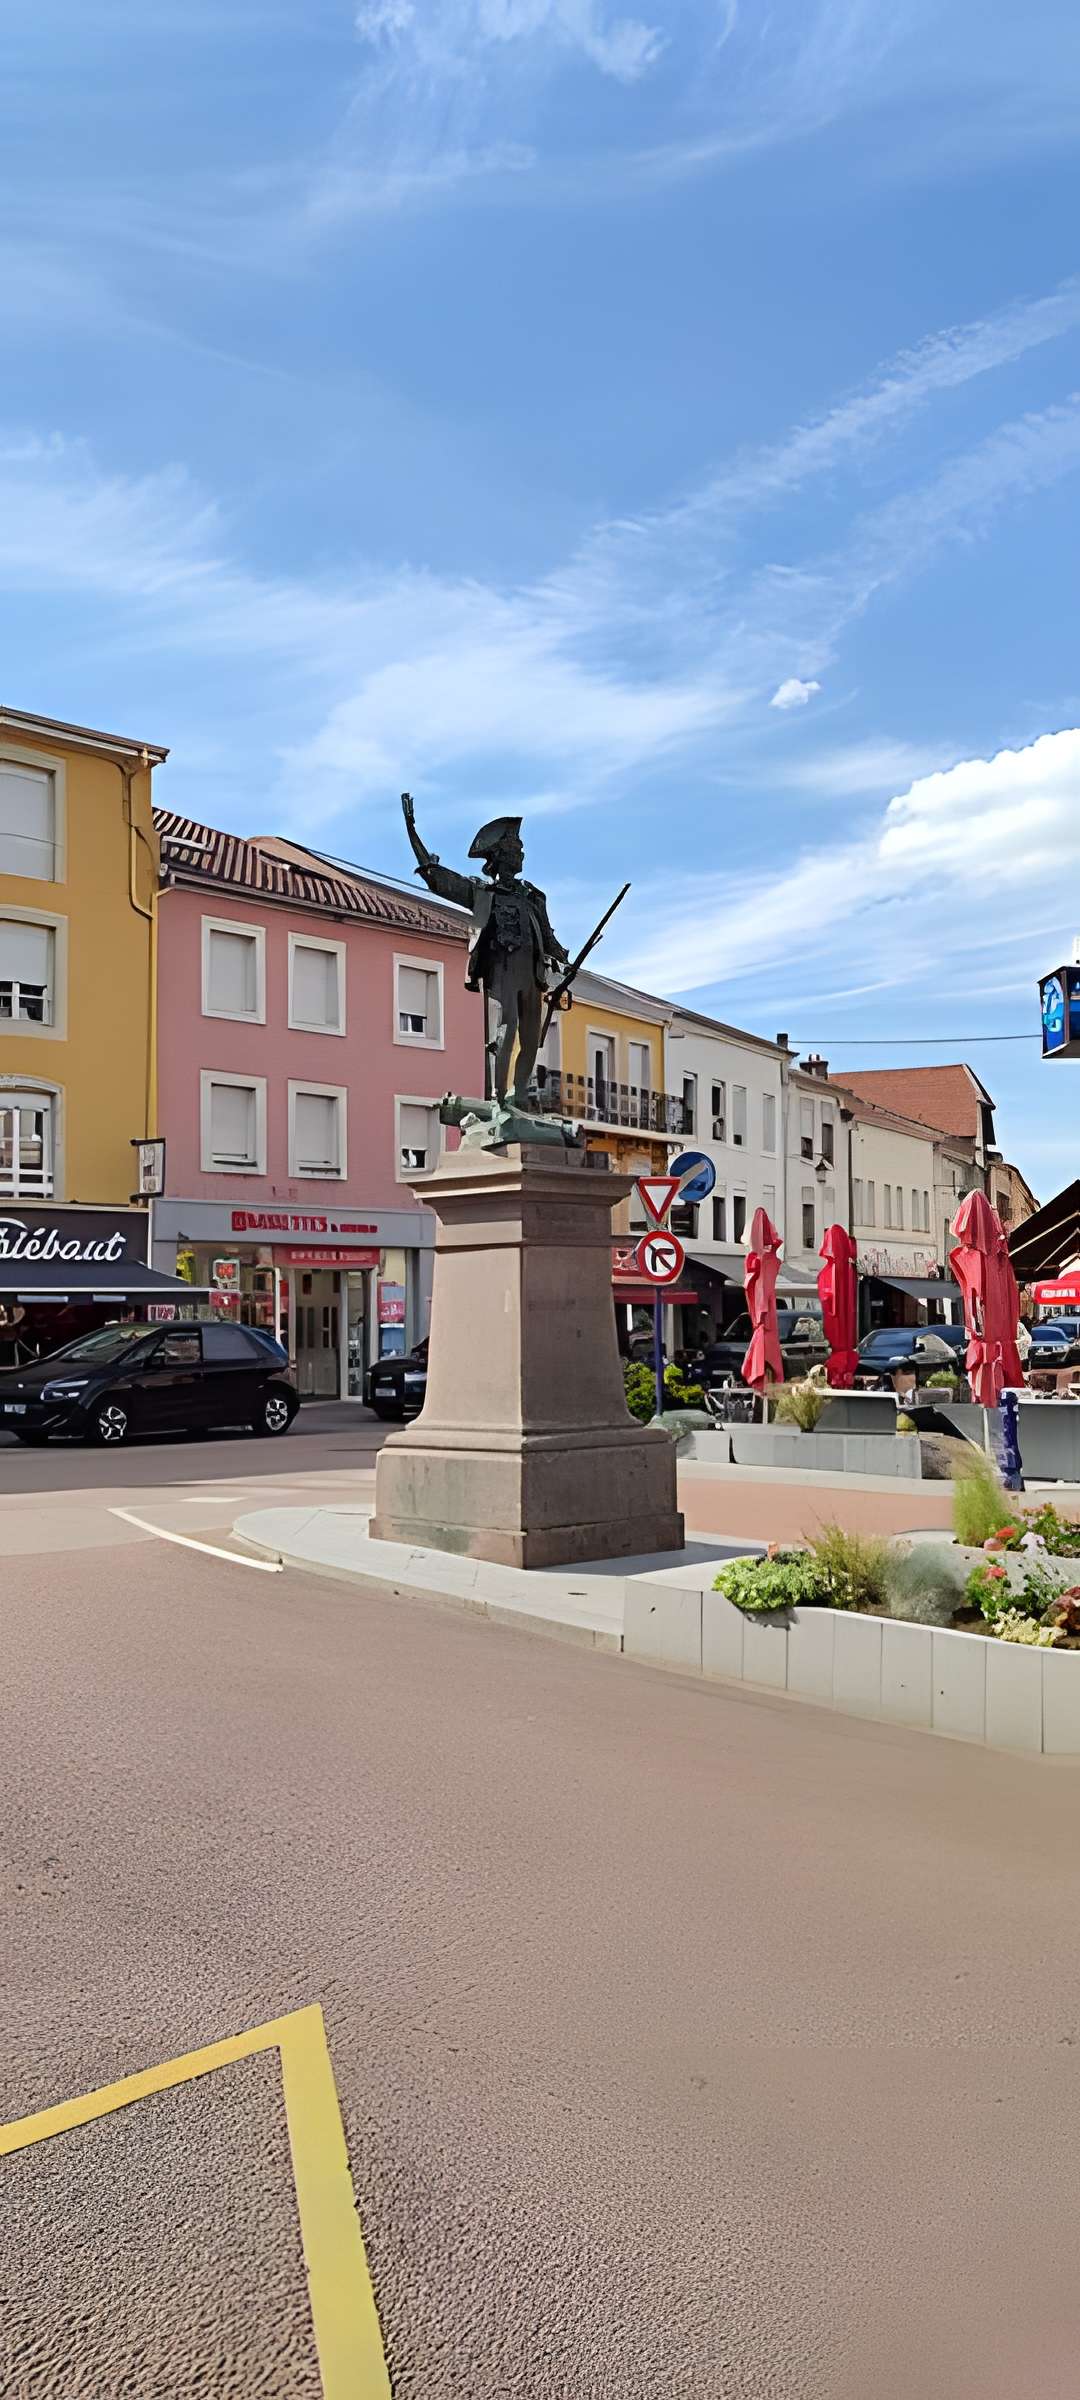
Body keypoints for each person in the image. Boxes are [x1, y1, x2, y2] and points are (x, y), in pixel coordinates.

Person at [402, 795, 569, 1108]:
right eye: (517, 850)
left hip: (531, 973)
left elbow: (548, 938)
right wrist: (413, 834)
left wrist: (564, 958)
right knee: (508, 1029)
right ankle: (500, 1096)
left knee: (531, 1038)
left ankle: (520, 1095)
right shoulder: (482, 892)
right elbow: (439, 879)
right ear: (501, 855)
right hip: (504, 969)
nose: (522, 854)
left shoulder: (533, 897)